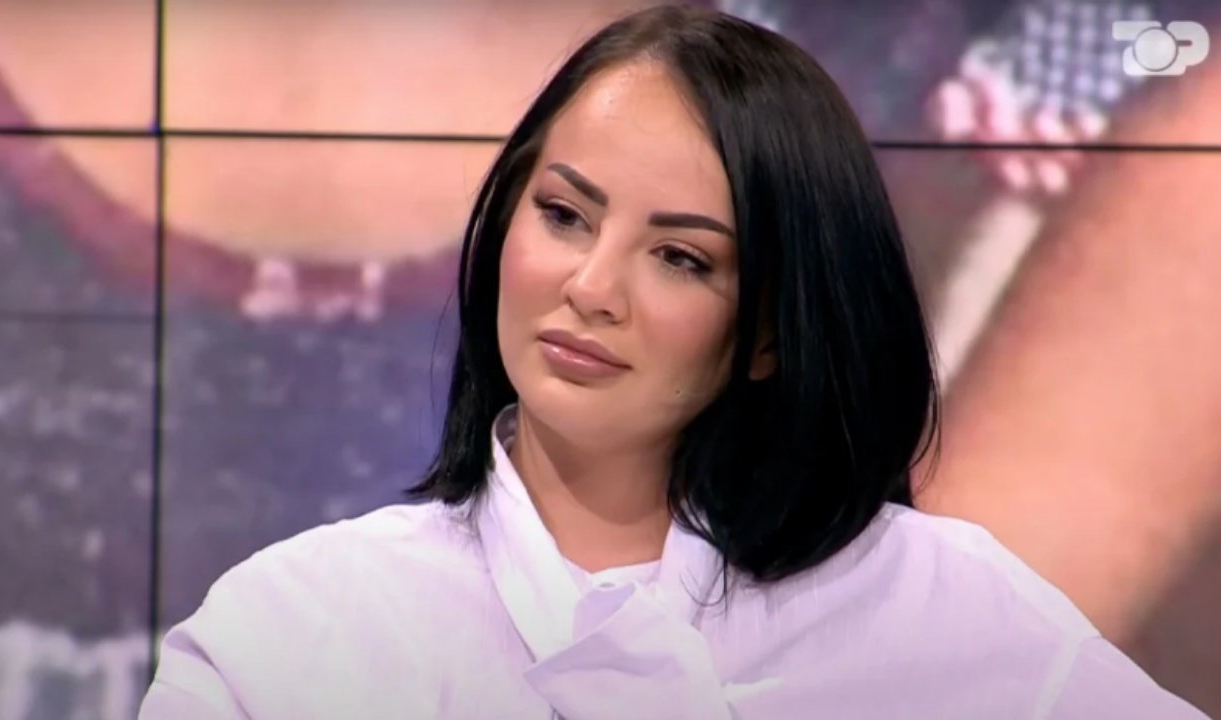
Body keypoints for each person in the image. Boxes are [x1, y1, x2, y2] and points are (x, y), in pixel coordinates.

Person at [137, 6, 1209, 719]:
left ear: (770, 331)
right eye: (563, 215)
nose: (591, 285)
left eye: (680, 257)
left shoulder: (945, 611)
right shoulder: (293, 633)